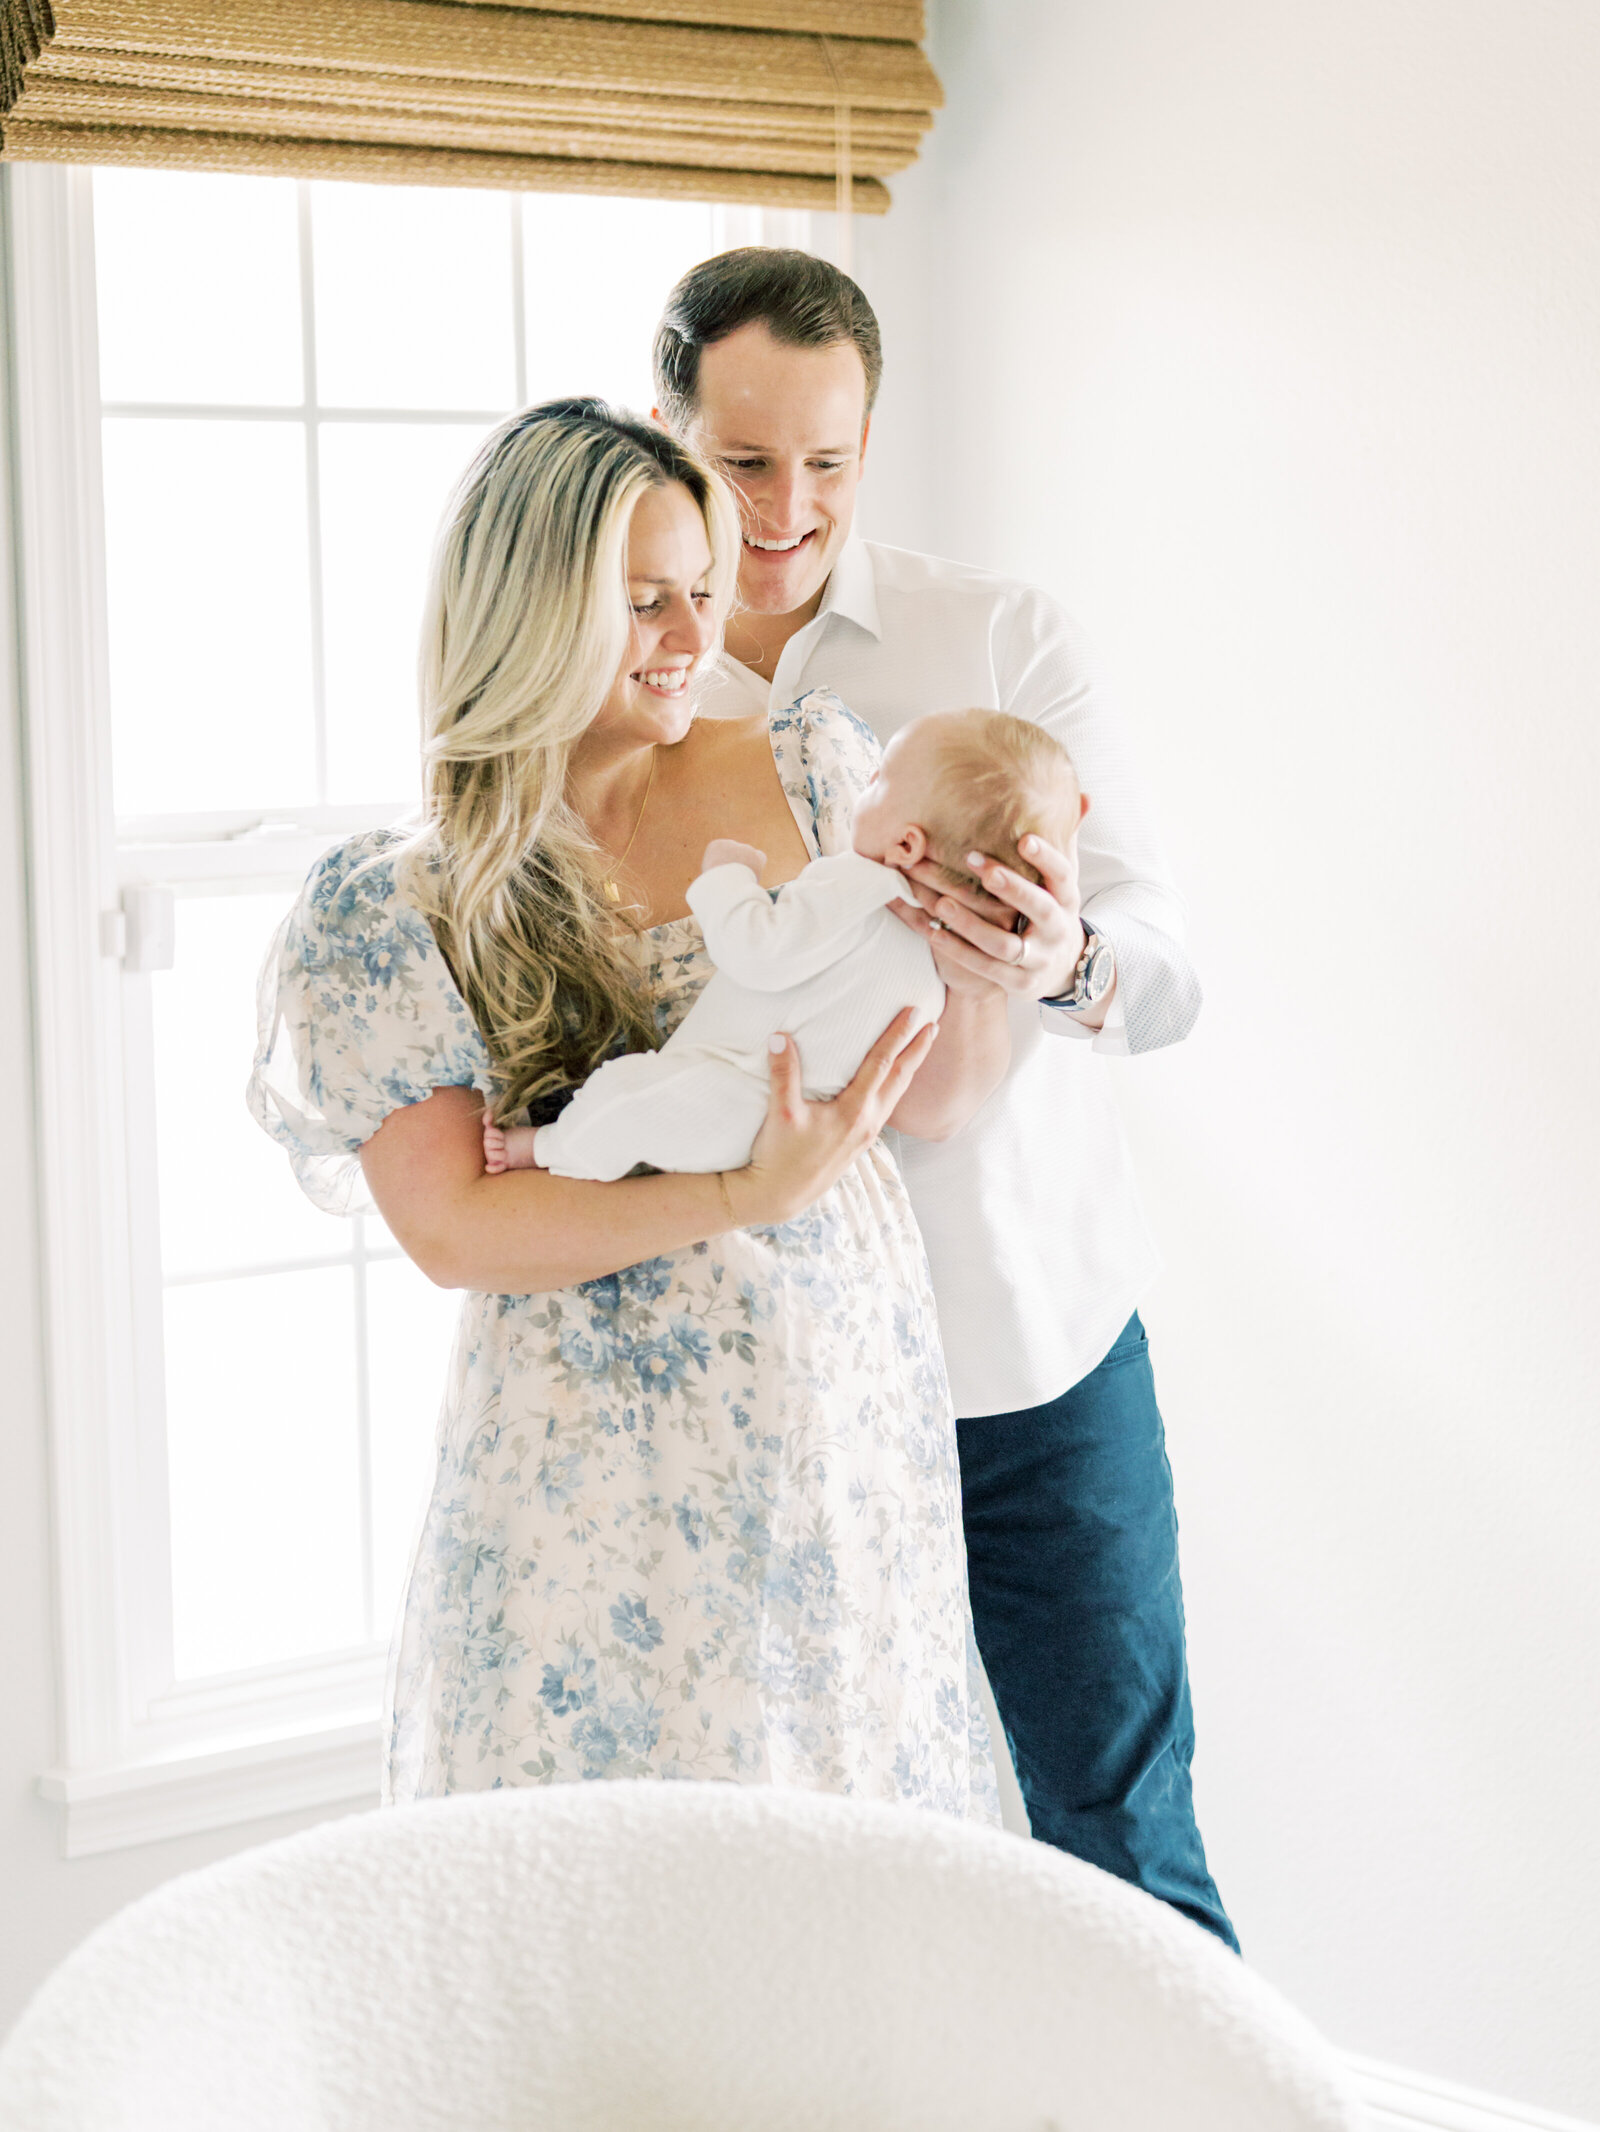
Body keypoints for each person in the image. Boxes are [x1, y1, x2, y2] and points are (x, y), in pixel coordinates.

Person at [248, 398, 1001, 1822]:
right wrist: (739, 1196)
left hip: (832, 1426)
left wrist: (994, 961)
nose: (688, 637)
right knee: (597, 1880)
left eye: (701, 596)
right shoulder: (402, 900)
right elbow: (458, 1228)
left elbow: (937, 1101)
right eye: (642, 599)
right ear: (531, 607)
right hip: (587, 1467)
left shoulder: (815, 772)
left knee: (833, 1866)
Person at [653, 250, 1238, 1949]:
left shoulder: (997, 635)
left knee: (1122, 1843)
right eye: (745, 461)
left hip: (1033, 1357)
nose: (787, 509)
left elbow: (1172, 965)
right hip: (772, 1377)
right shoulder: (623, 686)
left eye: (828, 462)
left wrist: (1061, 958)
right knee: (814, 1882)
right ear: (668, 429)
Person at [486, 708, 1080, 1184]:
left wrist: (724, 879)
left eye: (876, 782)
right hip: (796, 1129)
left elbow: (757, 949)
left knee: (625, 1096)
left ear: (905, 843)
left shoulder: (860, 882)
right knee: (639, 1110)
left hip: (738, 1085)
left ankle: (543, 1147)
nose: (863, 785)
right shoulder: (938, 950)